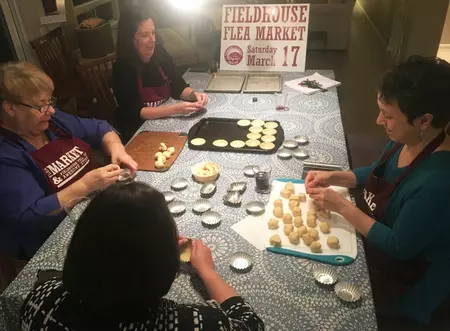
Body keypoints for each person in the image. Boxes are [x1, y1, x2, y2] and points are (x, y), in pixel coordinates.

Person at [306, 56, 450, 325]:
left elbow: (399, 246)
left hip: (406, 285)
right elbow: (378, 171)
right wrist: (336, 176)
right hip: (378, 251)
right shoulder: (407, 140)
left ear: (424, 120)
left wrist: (342, 206)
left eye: (388, 115)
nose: (377, 120)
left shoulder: (438, 182)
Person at [20, 182, 265, 331]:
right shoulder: (192, 323)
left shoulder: (40, 297)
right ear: (163, 268)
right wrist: (208, 272)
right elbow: (250, 324)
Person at [0, 62, 137, 260]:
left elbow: (100, 128)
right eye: (41, 105)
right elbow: (30, 216)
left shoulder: (52, 123)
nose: (51, 111)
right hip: (53, 241)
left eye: (50, 102)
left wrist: (118, 150)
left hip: (97, 212)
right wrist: (85, 185)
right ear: (10, 109)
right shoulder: (6, 156)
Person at [113, 5, 208, 143]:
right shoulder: (122, 68)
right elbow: (137, 112)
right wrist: (175, 109)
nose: (152, 40)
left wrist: (194, 95)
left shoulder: (160, 53)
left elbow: (179, 87)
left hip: (166, 121)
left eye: (153, 32)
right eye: (145, 35)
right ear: (131, 40)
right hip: (138, 130)